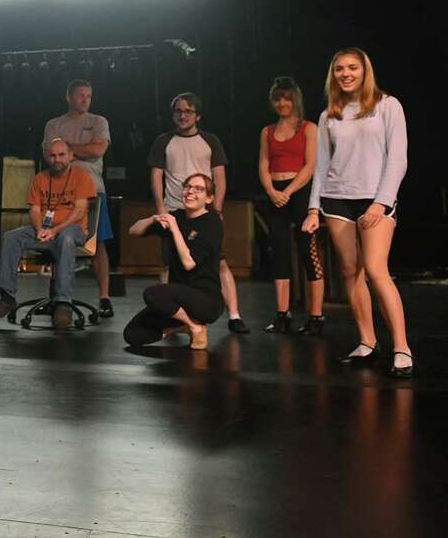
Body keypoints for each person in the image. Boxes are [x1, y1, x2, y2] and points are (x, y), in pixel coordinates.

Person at [302, 47, 411, 377]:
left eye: (352, 68)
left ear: (365, 71)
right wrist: (313, 208)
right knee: (351, 272)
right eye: (339, 69)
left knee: (377, 270)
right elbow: (321, 166)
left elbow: (398, 159)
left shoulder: (387, 105)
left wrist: (382, 201)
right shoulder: (329, 114)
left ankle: (402, 348)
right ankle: (367, 342)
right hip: (337, 199)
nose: (345, 74)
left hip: (375, 199)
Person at [147, 93, 249, 334]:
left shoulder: (210, 140)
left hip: (203, 213)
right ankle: (172, 317)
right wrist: (162, 210)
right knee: (168, 263)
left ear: (198, 115)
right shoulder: (164, 141)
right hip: (174, 210)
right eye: (179, 111)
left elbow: (220, 177)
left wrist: (217, 209)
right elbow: (156, 176)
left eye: (188, 111)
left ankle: (234, 315)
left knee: (220, 263)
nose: (183, 115)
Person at [0, 138, 94, 330]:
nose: (57, 159)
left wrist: (55, 230)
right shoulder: (40, 178)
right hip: (44, 230)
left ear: (70, 156)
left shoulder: (82, 176)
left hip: (73, 230)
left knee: (66, 238)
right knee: (11, 237)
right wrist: (40, 229)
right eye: (52, 155)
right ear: (46, 157)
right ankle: (7, 296)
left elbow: (79, 211)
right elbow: (35, 210)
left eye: (61, 155)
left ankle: (62, 302)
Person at [256, 77, 326, 334]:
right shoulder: (267, 131)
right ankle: (282, 314)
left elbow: (311, 166)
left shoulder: (309, 128)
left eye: (286, 98)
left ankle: (316, 316)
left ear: (295, 99)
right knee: (279, 252)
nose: (282, 103)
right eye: (277, 99)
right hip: (276, 195)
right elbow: (263, 164)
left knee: (308, 251)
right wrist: (272, 191)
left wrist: (288, 191)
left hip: (300, 193)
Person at [123, 173, 225, 350]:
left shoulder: (212, 223)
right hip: (177, 299)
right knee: (132, 334)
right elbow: (133, 230)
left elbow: (189, 263)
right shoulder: (176, 216)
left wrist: (174, 227)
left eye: (198, 189)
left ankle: (195, 327)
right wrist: (154, 218)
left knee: (153, 294)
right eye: (187, 187)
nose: (190, 192)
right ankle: (183, 326)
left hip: (206, 300)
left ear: (209, 198)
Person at [42, 79, 116, 318]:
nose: (85, 99)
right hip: (59, 191)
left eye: (89, 95)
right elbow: (50, 156)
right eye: (81, 95)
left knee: (98, 243)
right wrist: (76, 150)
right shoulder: (54, 124)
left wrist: (66, 150)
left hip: (93, 190)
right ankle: (56, 296)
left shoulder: (98, 121)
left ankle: (104, 297)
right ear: (69, 97)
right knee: (55, 238)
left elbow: (98, 150)